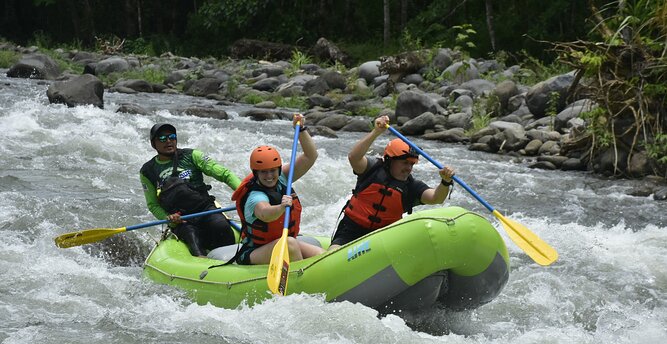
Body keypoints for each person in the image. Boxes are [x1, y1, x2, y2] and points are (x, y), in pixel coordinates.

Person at [329, 115, 456, 250]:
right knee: (332, 256)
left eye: (412, 164)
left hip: (383, 239)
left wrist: (445, 181)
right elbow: (353, 157)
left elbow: (436, 198)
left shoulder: (412, 186)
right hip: (350, 230)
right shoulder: (372, 169)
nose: (408, 168)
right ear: (390, 160)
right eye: (405, 163)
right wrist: (376, 132)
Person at [232, 114, 325, 265]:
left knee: (321, 255)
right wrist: (281, 207)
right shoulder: (255, 196)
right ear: (256, 173)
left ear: (279, 169)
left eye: (273, 171)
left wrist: (301, 129)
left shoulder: (282, 178)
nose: (269, 176)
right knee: (289, 243)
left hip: (280, 243)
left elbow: (310, 156)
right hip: (255, 252)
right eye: (263, 172)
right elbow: (265, 213)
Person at [140, 123, 241, 257]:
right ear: (154, 144)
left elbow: (225, 174)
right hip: (181, 219)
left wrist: (244, 192)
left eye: (171, 137)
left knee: (220, 226)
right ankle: (202, 261)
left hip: (205, 209)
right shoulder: (148, 171)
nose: (168, 141)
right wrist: (167, 218)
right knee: (191, 236)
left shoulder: (192, 156)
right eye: (162, 139)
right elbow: (153, 205)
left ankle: (233, 259)